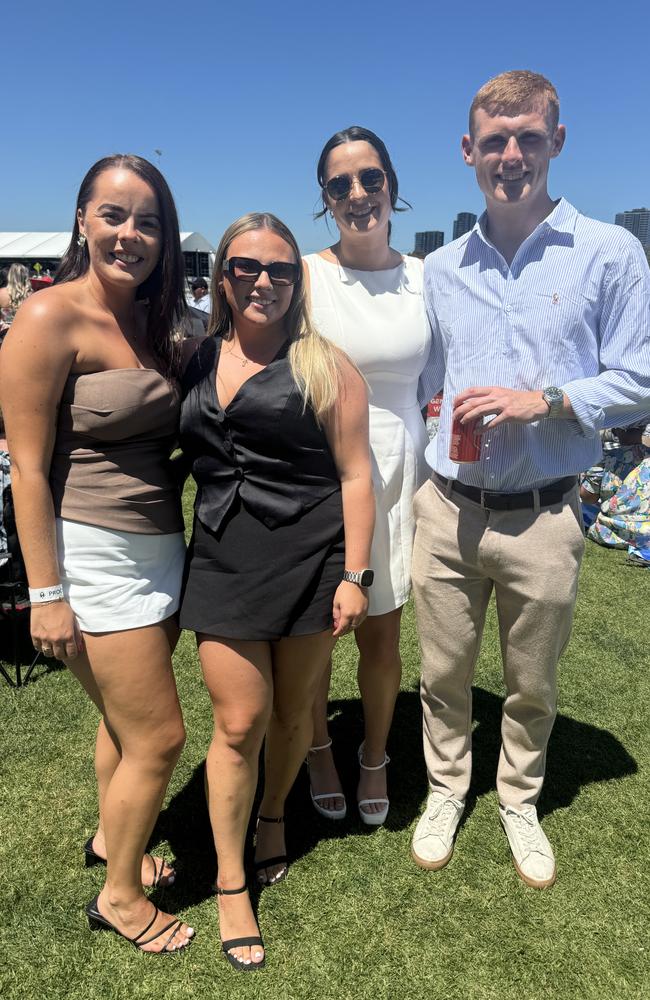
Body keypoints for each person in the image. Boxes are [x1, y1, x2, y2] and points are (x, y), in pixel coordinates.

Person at [411, 70, 650, 889]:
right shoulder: (440, 267)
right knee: (442, 674)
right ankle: (446, 788)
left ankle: (518, 795)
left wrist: (544, 400)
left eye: (529, 138)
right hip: (447, 507)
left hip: (545, 515)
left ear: (557, 140)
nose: (512, 156)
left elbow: (642, 379)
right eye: (495, 140)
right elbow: (425, 382)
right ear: (469, 151)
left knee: (531, 681)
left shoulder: (609, 253)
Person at [0, 154, 195, 951]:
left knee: (121, 724)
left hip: (159, 548)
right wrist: (47, 593)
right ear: (82, 219)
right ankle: (119, 898)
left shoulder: (157, 321)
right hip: (91, 555)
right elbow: (28, 471)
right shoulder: (47, 319)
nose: (130, 235)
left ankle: (113, 843)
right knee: (160, 735)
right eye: (114, 215)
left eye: (148, 221)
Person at [178, 212, 373, 971]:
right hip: (223, 560)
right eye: (247, 267)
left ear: (299, 281)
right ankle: (232, 883)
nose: (264, 281)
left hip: (311, 561)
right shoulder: (193, 358)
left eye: (281, 269)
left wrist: (355, 577)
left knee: (295, 714)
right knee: (239, 722)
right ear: (222, 276)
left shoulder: (328, 365)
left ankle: (270, 814)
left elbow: (359, 474)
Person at [303, 126, 430, 826]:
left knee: (383, 635)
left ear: (392, 185)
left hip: (402, 472)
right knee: (324, 629)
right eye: (339, 184)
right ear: (324, 199)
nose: (357, 194)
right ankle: (320, 747)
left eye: (370, 178)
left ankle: (374, 755)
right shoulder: (305, 275)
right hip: (327, 472)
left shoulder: (423, 277)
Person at [0, 263, 32, 337]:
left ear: (10, 276)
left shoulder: (1, 293)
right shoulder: (32, 295)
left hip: (4, 333)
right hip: (25, 331)